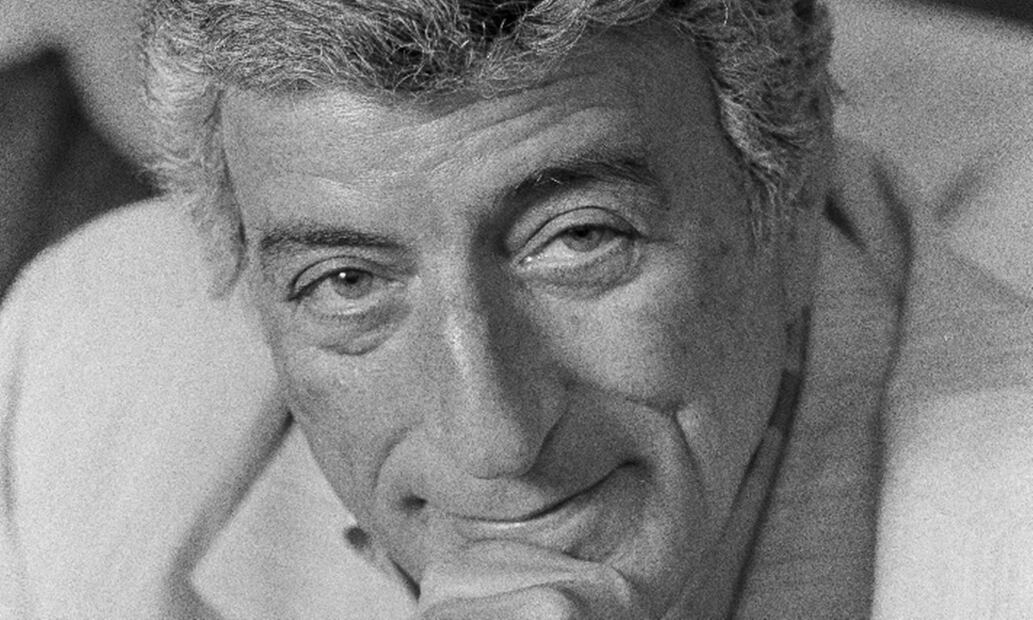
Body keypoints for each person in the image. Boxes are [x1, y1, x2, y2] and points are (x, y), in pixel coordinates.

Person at [1, 0, 1030, 618]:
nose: (493, 441)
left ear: (789, 190)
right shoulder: (82, 368)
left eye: (578, 239)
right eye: (349, 283)